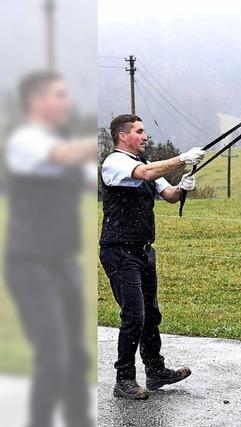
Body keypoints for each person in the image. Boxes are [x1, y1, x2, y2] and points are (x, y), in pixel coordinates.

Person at [4, 71, 95, 427]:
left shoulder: (61, 143)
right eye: (59, 95)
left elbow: (90, 177)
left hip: (63, 261)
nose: (66, 102)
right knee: (53, 356)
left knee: (76, 356)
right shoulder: (25, 141)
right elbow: (64, 155)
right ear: (36, 102)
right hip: (29, 263)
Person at [99, 114, 205, 400]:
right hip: (119, 250)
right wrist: (181, 158)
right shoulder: (115, 163)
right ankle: (123, 380)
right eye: (140, 131)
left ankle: (155, 372)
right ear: (123, 136)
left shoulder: (145, 165)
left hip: (144, 249)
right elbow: (145, 175)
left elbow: (168, 194)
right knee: (134, 315)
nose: (145, 136)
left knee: (151, 314)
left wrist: (183, 187)